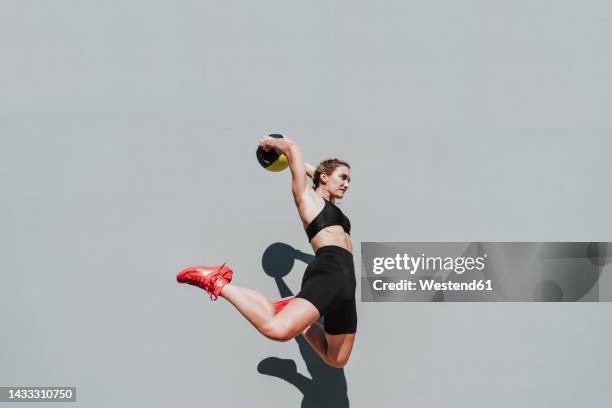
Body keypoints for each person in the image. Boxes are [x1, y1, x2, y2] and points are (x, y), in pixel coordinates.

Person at [177, 136, 356, 368]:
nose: (347, 184)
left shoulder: (332, 205)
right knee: (277, 329)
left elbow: (315, 173)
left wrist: (318, 172)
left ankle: (301, 316)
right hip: (329, 270)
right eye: (343, 177)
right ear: (324, 177)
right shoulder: (307, 199)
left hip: (347, 282)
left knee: (336, 359)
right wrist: (270, 142)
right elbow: (292, 149)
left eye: (349, 180)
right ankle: (218, 282)